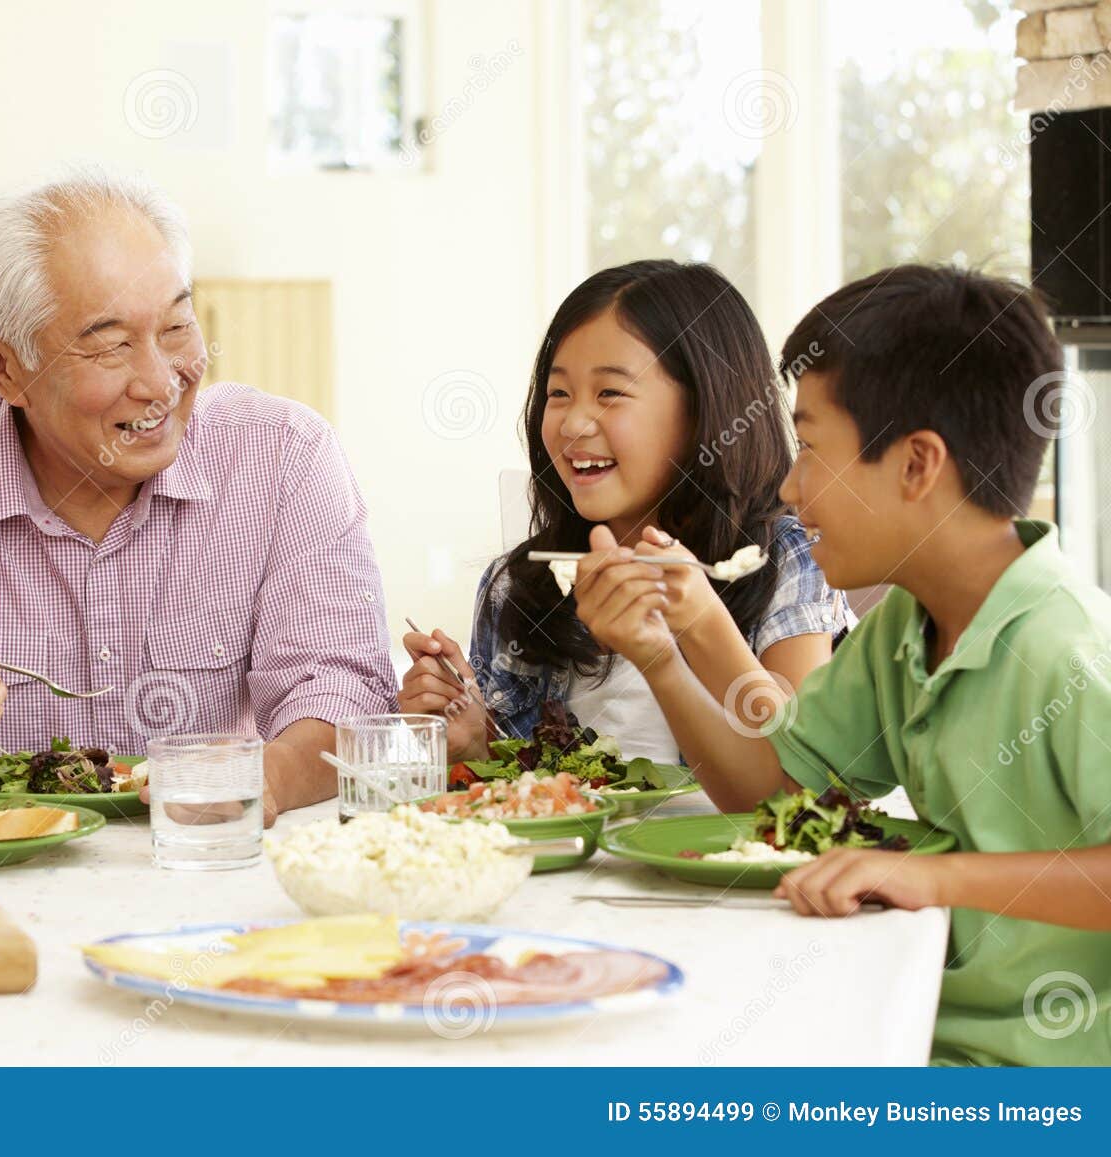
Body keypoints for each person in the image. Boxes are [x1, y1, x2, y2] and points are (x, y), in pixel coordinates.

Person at [584, 264, 1111, 1066]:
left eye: (812, 448)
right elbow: (771, 787)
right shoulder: (906, 625)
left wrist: (940, 880)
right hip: (909, 1027)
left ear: (915, 464)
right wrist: (661, 658)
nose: (791, 488)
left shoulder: (1064, 649)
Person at [0, 167, 396, 825]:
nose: (160, 382)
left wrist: (264, 779)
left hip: (211, 869)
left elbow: (345, 695)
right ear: (3, 365)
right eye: (111, 346)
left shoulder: (284, 457)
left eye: (176, 329)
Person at [398, 260, 848, 764]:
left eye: (610, 393)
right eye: (558, 393)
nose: (572, 423)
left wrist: (698, 625)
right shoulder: (516, 586)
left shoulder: (781, 559)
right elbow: (526, 795)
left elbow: (806, 761)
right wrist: (474, 743)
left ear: (705, 407)